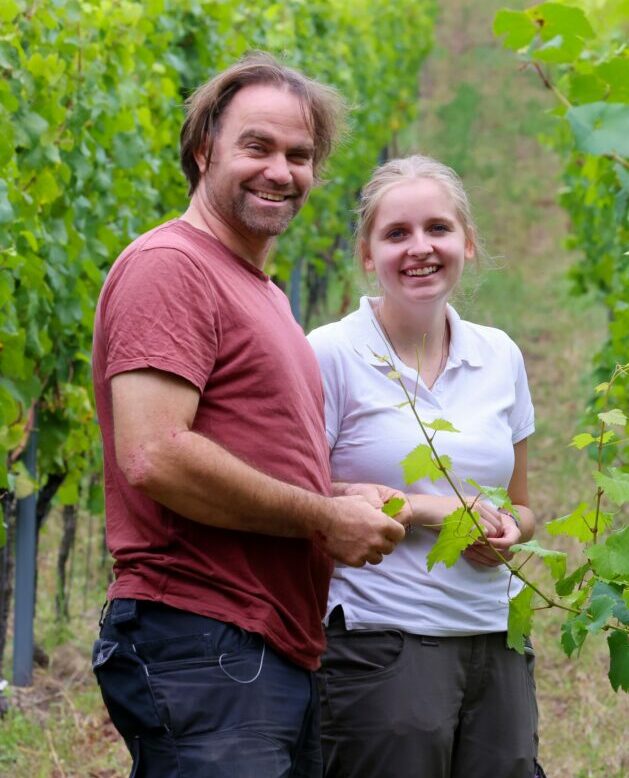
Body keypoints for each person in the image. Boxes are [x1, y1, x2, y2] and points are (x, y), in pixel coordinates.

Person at [91, 52, 406, 778]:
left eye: (300, 155)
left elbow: (235, 448)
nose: (280, 170)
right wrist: (322, 520)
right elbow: (157, 454)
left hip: (255, 643)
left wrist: (331, 496)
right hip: (203, 633)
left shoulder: (255, 289)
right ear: (203, 149)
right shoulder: (172, 266)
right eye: (256, 146)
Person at [308, 154, 541, 778]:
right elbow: (297, 495)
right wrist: (428, 509)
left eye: (438, 229)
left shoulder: (499, 355)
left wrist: (510, 531)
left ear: (467, 242)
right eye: (396, 234)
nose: (421, 248)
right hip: (382, 643)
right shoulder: (329, 354)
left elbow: (521, 502)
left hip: (497, 638)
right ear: (366, 253)